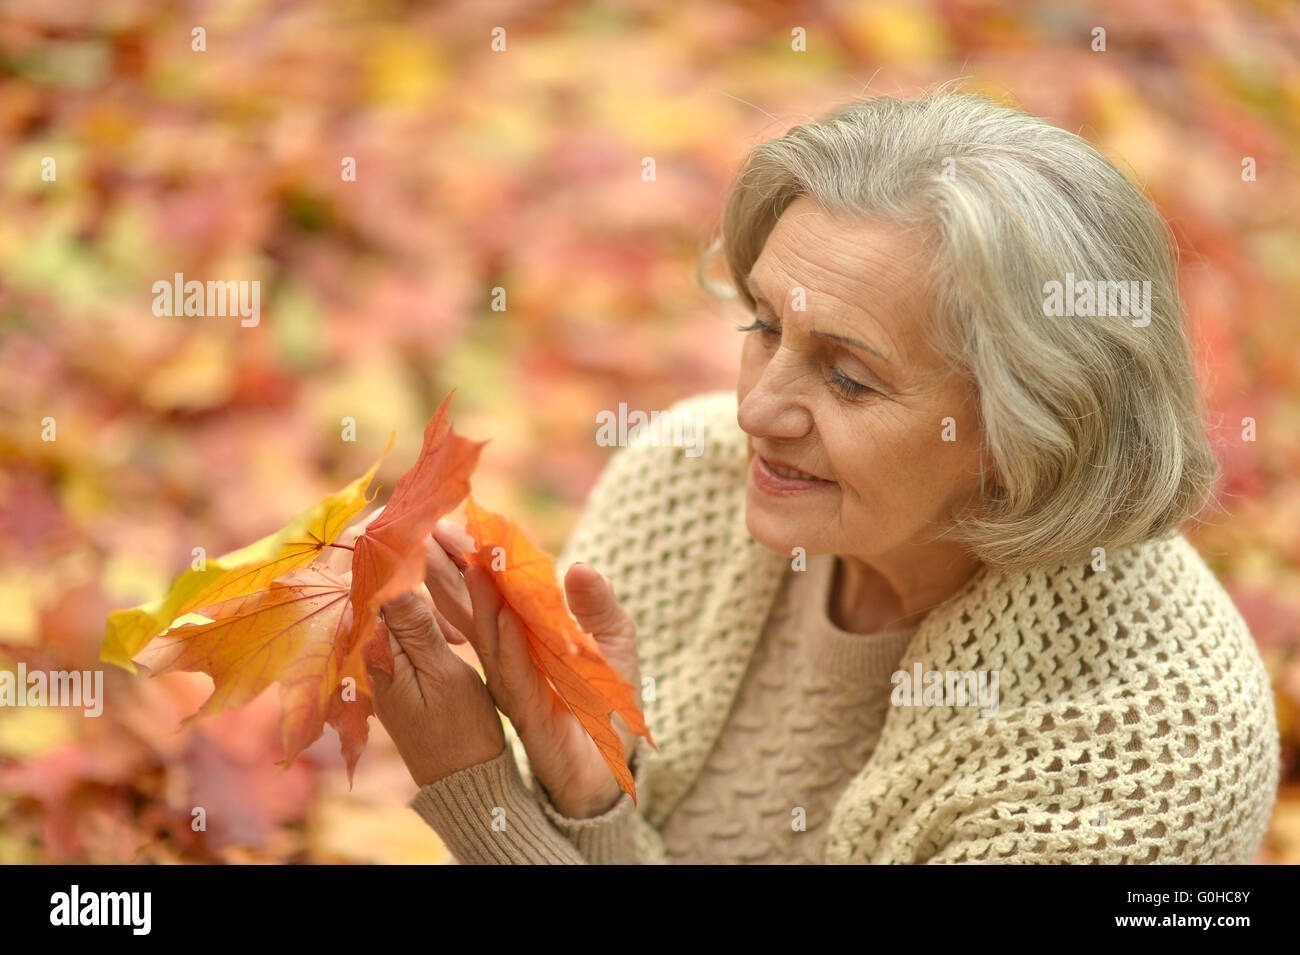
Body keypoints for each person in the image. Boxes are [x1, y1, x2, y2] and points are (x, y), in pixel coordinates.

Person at [367, 90, 1280, 864]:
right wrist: (584, 794)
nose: (756, 413)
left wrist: (477, 793)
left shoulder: (1150, 742)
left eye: (848, 376)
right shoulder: (689, 482)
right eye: (763, 326)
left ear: (1031, 428)